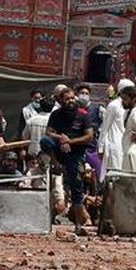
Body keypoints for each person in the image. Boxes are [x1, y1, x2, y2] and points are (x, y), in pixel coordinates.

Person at [42, 87, 95, 235]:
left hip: (76, 154)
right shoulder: (56, 115)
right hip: (59, 152)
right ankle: (56, 164)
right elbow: (48, 132)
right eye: (67, 99)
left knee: (76, 189)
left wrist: (70, 141)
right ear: (60, 101)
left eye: (72, 98)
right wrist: (61, 138)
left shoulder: (83, 115)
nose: (71, 101)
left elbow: (89, 136)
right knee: (45, 141)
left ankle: (78, 225)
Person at [98, 79, 135, 178]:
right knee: (115, 172)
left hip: (127, 142)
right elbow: (105, 126)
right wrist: (101, 147)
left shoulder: (131, 106)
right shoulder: (114, 105)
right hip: (115, 142)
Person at [21, 151, 66, 222]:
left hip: (49, 200)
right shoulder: (33, 171)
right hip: (35, 200)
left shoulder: (56, 172)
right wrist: (27, 187)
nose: (44, 160)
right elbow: (26, 182)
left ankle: (52, 217)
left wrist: (60, 200)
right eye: (41, 158)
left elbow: (58, 188)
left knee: (60, 203)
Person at [74, 83, 105, 181]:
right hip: (77, 146)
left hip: (92, 147)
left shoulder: (98, 109)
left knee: (98, 173)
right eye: (81, 93)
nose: (83, 95)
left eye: (86, 93)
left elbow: (105, 125)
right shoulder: (73, 109)